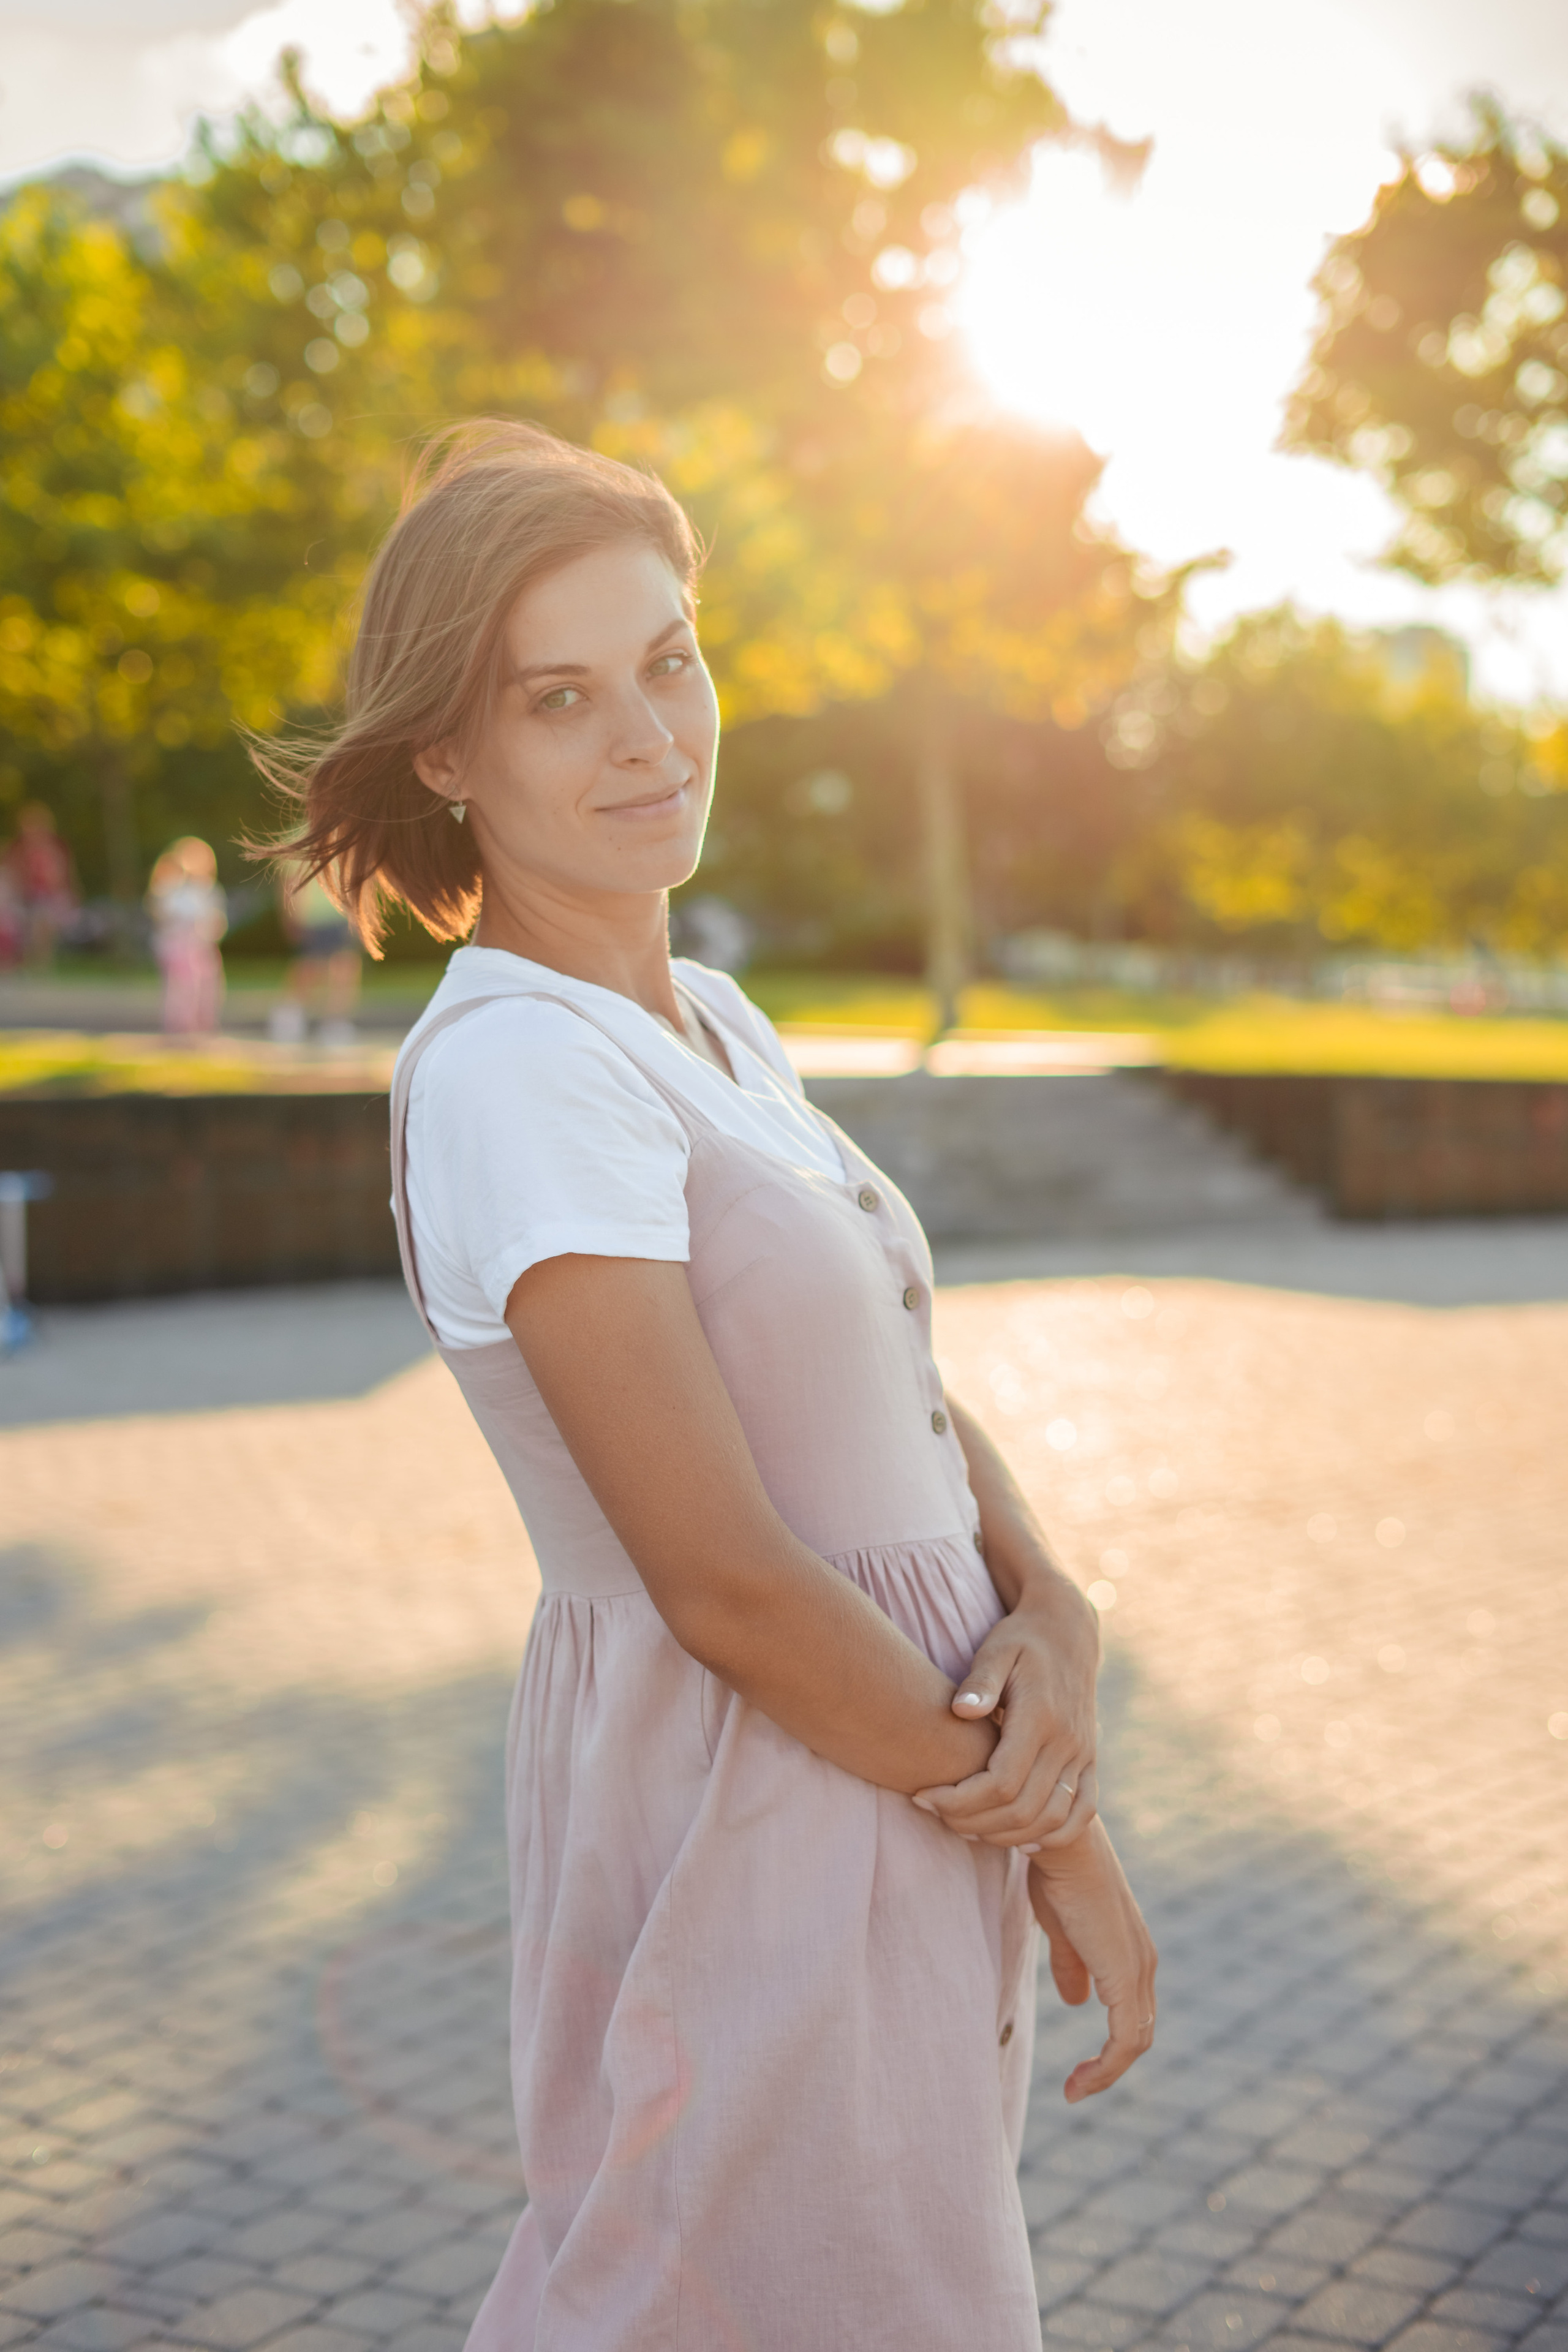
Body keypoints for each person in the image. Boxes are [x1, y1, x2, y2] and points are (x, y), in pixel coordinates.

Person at [253, 423, 1156, 2351]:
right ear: (446, 753)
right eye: (559, 696)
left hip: (899, 1770)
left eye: (670, 656)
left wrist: (1059, 1616)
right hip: (774, 1786)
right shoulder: (515, 1070)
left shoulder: (708, 1021)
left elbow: (887, 1381)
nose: (650, 731)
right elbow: (723, 1576)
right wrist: (1044, 1819)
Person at [268, 868, 363, 1045]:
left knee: (345, 968)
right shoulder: (300, 840)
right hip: (314, 915)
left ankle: (336, 1019)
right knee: (311, 967)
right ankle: (290, 1011)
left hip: (342, 912)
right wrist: (292, 913)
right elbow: (291, 880)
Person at [146, 836, 227, 1035]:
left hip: (201, 947)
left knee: (205, 987)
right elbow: (163, 915)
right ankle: (181, 1025)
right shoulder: (175, 890)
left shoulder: (208, 891)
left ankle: (201, 1024)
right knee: (182, 988)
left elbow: (217, 922)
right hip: (181, 948)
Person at [4, 802, 77, 967]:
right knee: (24, 921)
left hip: (50, 900)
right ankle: (24, 964)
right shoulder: (17, 849)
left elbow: (64, 878)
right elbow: (12, 878)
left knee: (43, 920)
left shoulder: (57, 848)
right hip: (23, 899)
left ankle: (39, 965)